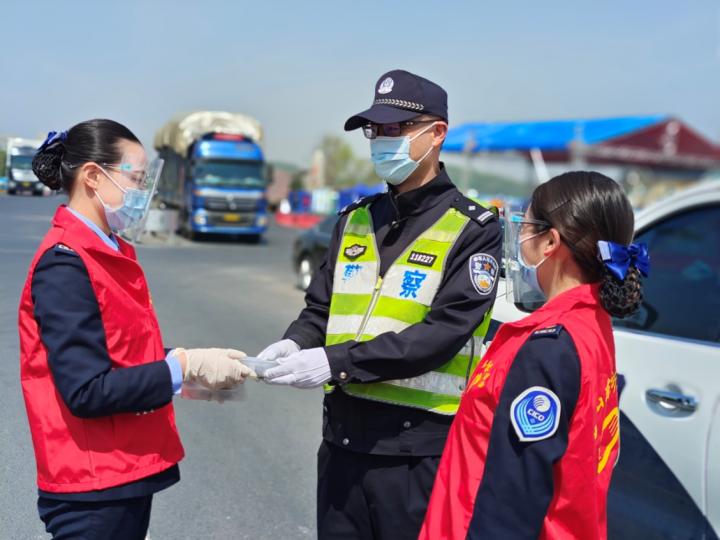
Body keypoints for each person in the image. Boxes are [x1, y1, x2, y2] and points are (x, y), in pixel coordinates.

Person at [258, 70, 502, 540]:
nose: (382, 141)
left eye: (397, 129)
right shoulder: (354, 219)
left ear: (437, 134)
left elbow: (443, 333)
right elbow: (320, 310)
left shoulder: (474, 229)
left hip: (415, 456)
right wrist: (296, 342)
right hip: (343, 443)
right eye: (376, 130)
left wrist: (334, 361)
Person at [19, 119, 254, 540]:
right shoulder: (65, 264)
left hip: (119, 473)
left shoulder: (106, 250)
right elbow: (87, 389)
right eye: (136, 178)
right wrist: (182, 367)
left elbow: (121, 350)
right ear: (93, 176)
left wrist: (186, 377)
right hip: (92, 485)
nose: (142, 192)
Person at [420, 171, 650, 540]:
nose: (520, 237)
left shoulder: (548, 347)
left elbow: (509, 501)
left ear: (550, 243)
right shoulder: (590, 325)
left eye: (525, 225)